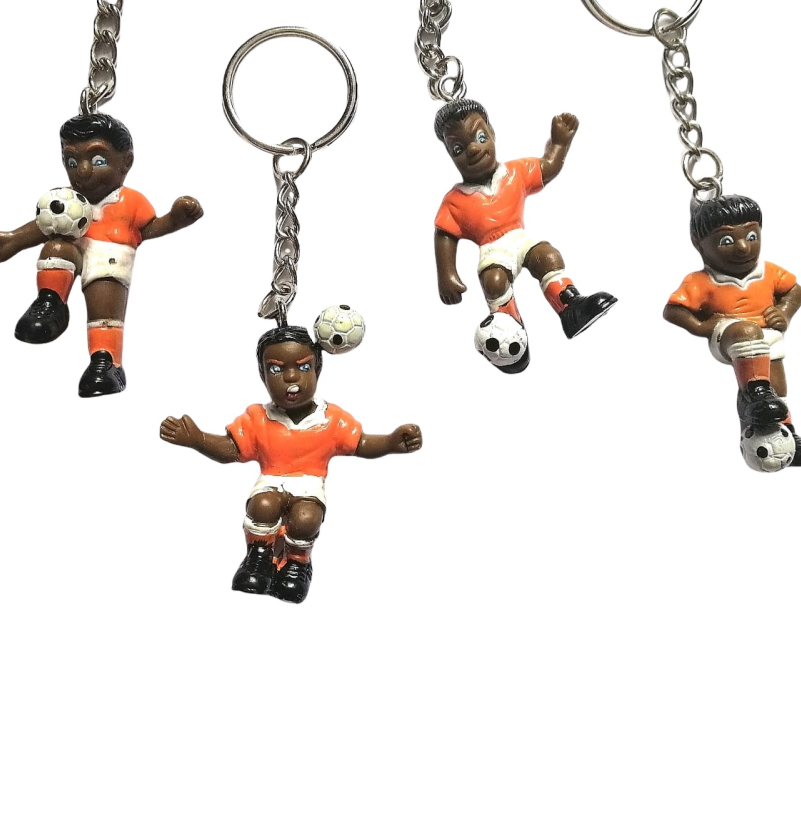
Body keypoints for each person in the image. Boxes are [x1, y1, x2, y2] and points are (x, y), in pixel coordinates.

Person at [159, 324, 423, 603]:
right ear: (262, 375)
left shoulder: (331, 419)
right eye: (275, 369)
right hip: (272, 480)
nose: (291, 377)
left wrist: (391, 442)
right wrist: (198, 439)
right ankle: (258, 558)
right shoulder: (258, 418)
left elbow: (361, 443)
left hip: (308, 484)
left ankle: (297, 564)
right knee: (263, 505)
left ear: (318, 369)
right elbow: (232, 449)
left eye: (304, 367)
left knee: (306, 518)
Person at [0, 113, 203, 396]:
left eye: (97, 160)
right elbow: (44, 226)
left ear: (126, 162)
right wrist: (13, 240)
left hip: (111, 257)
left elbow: (149, 228)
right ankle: (51, 304)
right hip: (74, 250)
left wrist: (176, 219)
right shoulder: (67, 199)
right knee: (56, 248)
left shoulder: (131, 201)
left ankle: (106, 361)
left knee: (104, 306)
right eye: (72, 161)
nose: (83, 171)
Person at [432, 100, 616, 371]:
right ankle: (510, 336)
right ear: (449, 154)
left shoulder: (514, 173)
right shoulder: (455, 200)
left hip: (519, 238)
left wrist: (559, 143)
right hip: (492, 249)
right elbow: (444, 235)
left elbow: (547, 167)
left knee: (548, 256)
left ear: (493, 133)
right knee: (494, 281)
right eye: (458, 149)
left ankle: (570, 308)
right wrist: (446, 275)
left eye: (480, 137)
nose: (473, 149)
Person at [663, 194, 801, 465]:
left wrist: (783, 312)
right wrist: (701, 325)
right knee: (747, 332)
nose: (743, 247)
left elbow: (795, 291)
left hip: (768, 336)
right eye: (726, 241)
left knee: (777, 385)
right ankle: (754, 393)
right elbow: (674, 310)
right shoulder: (701, 280)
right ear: (699, 244)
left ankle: (784, 431)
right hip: (729, 334)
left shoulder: (768, 272)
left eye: (751, 236)